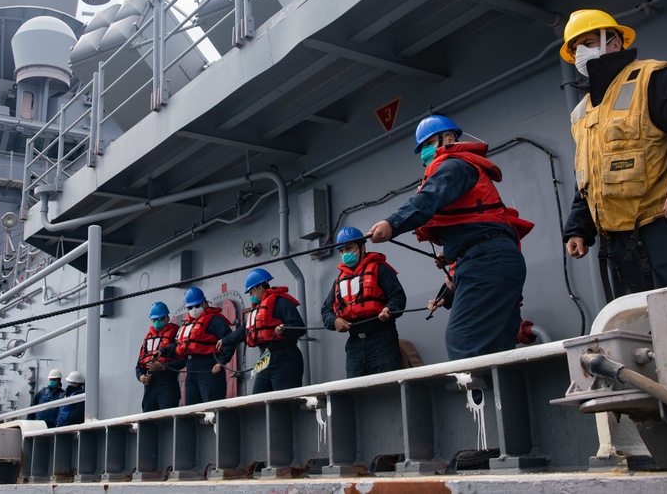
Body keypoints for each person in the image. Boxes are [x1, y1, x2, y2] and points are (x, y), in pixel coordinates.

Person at [559, 10, 667, 298]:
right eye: (576, 48)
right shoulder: (581, 112)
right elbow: (588, 176)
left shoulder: (653, 78)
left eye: (590, 41)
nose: (582, 52)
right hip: (619, 243)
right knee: (636, 329)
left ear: (616, 41)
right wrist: (579, 227)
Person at [367, 115, 532, 361]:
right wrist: (450, 269)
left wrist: (392, 223)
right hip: (493, 260)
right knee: (498, 349)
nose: (425, 152)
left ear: (449, 139)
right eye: (422, 147)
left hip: (488, 261)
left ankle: (481, 397)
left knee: (465, 342)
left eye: (428, 144)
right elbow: (476, 234)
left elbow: (429, 198)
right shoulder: (461, 168)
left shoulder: (454, 166)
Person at [321, 226, 407, 377]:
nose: (345, 254)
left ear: (362, 246)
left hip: (382, 339)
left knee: (388, 386)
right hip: (354, 345)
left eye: (349, 248)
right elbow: (326, 310)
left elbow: (398, 297)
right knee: (356, 391)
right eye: (341, 251)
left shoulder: (380, 269)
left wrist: (389, 309)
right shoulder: (338, 281)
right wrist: (334, 321)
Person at [217, 269, 306, 393]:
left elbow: (299, 327)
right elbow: (244, 330)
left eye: (251, 292)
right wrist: (224, 341)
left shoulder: (281, 303)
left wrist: (283, 330)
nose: (251, 296)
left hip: (285, 359)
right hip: (265, 359)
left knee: (285, 403)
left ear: (260, 288)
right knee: (258, 399)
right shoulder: (257, 310)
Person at [157, 287, 232, 405]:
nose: (194, 309)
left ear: (204, 303)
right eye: (190, 307)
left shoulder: (215, 320)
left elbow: (229, 340)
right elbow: (179, 345)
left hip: (209, 368)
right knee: (191, 409)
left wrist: (221, 361)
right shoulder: (188, 325)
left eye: (197, 306)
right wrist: (162, 352)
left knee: (212, 406)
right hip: (191, 370)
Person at [135, 301, 184, 412]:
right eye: (154, 320)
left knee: (167, 420)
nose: (157, 322)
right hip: (150, 386)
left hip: (168, 384)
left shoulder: (175, 335)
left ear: (167, 317)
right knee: (148, 419)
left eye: (160, 319)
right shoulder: (148, 338)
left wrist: (163, 367)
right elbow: (139, 365)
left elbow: (182, 361)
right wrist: (141, 377)